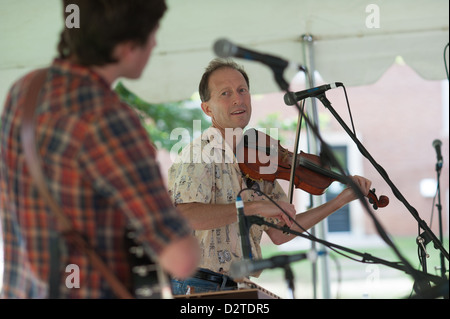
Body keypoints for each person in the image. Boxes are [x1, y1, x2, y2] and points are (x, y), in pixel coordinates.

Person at [0, 0, 199, 299]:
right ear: (124, 47)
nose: (155, 42)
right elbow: (181, 258)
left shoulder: (25, 90)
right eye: (152, 33)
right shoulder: (107, 117)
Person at [167, 58, 372, 295]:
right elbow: (184, 216)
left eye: (242, 90)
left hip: (237, 286)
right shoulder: (199, 153)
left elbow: (280, 232)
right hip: (199, 285)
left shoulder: (261, 157)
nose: (238, 98)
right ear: (207, 108)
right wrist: (252, 208)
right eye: (225, 93)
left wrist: (340, 200)